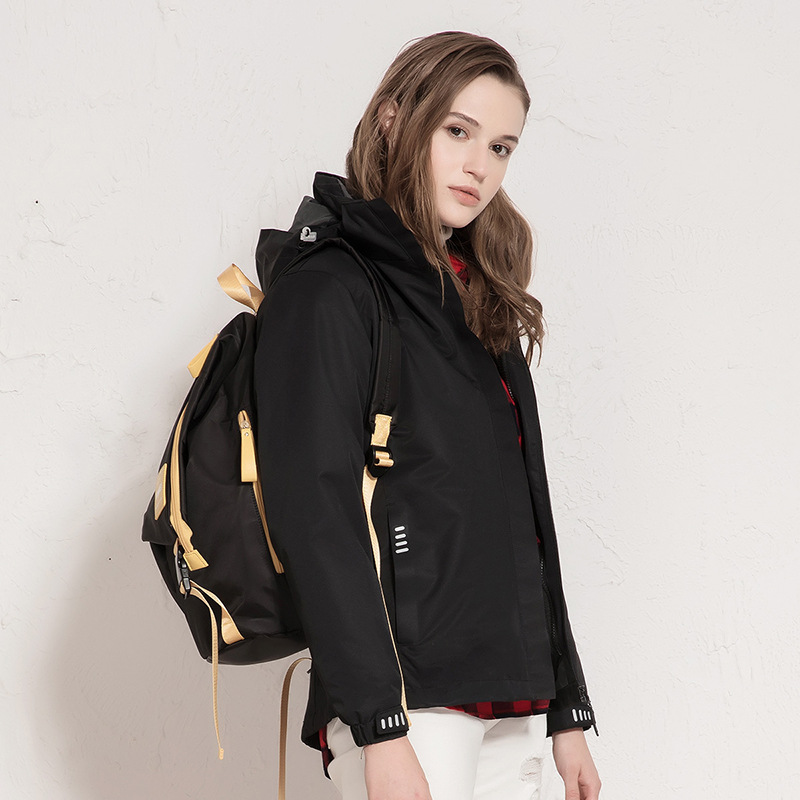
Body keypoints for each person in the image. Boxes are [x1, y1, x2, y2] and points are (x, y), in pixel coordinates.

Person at [254, 31, 602, 800]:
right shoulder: (331, 287)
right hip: (408, 707)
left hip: (511, 697)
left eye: (501, 147)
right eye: (458, 131)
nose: (481, 166)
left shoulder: (479, 296)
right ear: (392, 119)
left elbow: (525, 513)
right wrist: (379, 726)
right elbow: (315, 510)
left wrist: (567, 707)